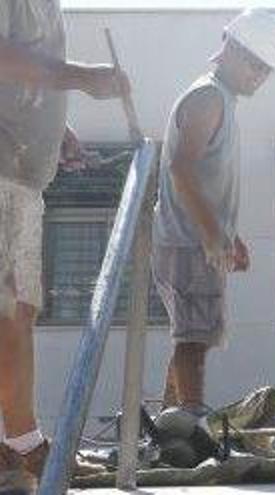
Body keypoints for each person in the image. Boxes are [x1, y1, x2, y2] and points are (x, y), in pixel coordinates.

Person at [0, 0, 129, 484]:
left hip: (21, 173)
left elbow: (23, 73)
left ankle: (18, 443)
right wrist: (81, 78)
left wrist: (56, 126)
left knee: (18, 310)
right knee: (9, 307)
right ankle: (22, 444)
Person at [152, 8, 275, 419]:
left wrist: (229, 232)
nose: (258, 76)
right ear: (229, 46)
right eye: (254, 64)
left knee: (194, 336)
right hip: (188, 241)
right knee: (193, 338)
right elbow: (181, 168)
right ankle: (188, 421)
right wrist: (212, 233)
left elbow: (206, 179)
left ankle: (168, 424)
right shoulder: (208, 96)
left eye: (265, 69)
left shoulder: (221, 99)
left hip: (197, 238)